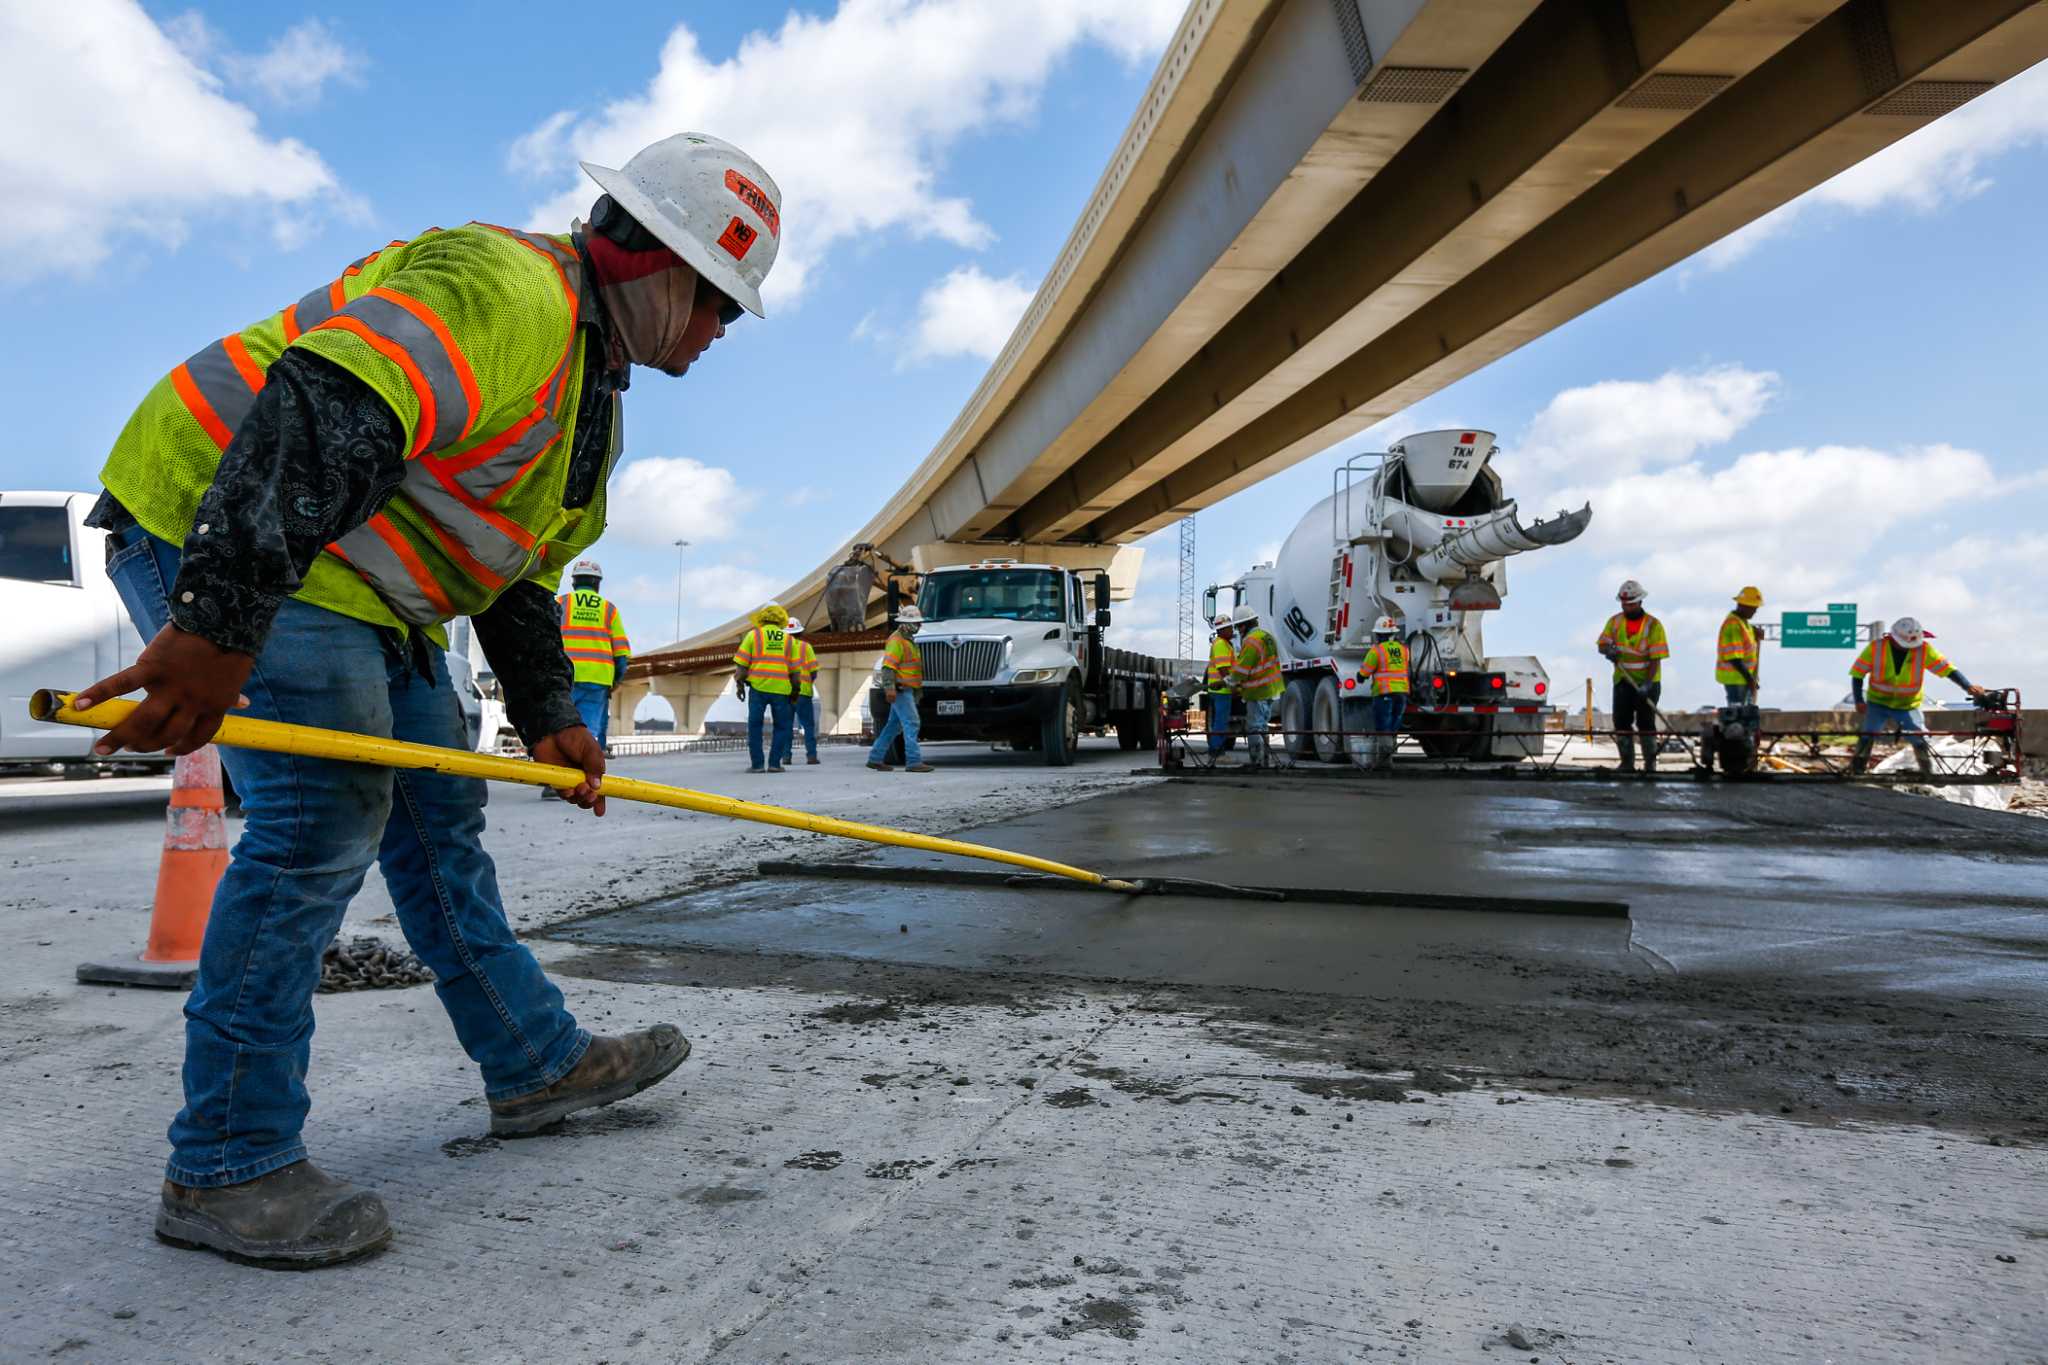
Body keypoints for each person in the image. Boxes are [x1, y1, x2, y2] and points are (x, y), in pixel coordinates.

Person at [67, 132, 782, 1268]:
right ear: (658, 266)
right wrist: (217, 627)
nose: (715, 334)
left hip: (353, 582)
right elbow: (319, 401)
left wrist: (549, 705)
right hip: (220, 515)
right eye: (717, 308)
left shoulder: (586, 399)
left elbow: (516, 570)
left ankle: (533, 1064)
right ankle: (226, 1163)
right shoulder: (503, 288)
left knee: (440, 826)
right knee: (320, 825)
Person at [1849, 617, 1986, 775]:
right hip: (1878, 703)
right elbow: (1857, 674)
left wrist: (1968, 686)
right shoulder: (1876, 648)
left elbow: (1948, 670)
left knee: (1919, 737)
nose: (1908, 648)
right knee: (1868, 734)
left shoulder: (1923, 649)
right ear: (1894, 638)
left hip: (1908, 705)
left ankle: (1928, 772)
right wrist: (1859, 701)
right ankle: (1857, 770)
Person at [541, 560, 630, 800]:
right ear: (597, 584)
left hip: (562, 676)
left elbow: (543, 638)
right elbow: (621, 652)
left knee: (557, 725)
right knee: (587, 732)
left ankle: (554, 781)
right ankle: (584, 782)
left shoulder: (561, 603)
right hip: (596, 678)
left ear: (574, 581)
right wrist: (616, 678)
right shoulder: (608, 609)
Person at [1597, 579, 1669, 774]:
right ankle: (1627, 763)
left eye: (1631, 604)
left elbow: (1656, 659)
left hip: (1648, 682)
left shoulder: (1654, 625)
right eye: (1624, 604)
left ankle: (1649, 765)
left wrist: (1647, 685)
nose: (1627, 607)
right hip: (1623, 680)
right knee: (1621, 722)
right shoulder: (1615, 622)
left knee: (1646, 723)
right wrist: (1607, 650)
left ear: (1640, 602)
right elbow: (1601, 644)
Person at [732, 602, 797, 774]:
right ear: (781, 618)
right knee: (782, 727)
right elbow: (796, 672)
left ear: (762, 617)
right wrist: (795, 693)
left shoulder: (753, 636)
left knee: (755, 726)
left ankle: (758, 765)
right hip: (781, 690)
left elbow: (741, 667)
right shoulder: (789, 640)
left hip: (758, 689)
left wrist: (739, 686)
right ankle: (775, 764)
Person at [867, 606, 933, 773]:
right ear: (906, 623)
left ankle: (875, 758)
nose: (918, 626)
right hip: (901, 689)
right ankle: (913, 761)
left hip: (905, 689)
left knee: (893, 726)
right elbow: (888, 667)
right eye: (915, 623)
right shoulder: (897, 641)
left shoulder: (907, 639)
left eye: (918, 623)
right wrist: (889, 689)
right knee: (912, 722)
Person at [1228, 605, 1285, 767]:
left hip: (1258, 690)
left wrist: (1227, 682)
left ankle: (1256, 761)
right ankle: (1264, 760)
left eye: (1239, 628)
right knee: (1262, 726)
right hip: (1271, 688)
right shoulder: (1267, 636)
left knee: (1254, 726)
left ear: (1243, 625)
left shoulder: (1251, 641)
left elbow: (1241, 669)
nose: (1239, 632)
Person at [1353, 615, 1409, 771]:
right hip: (1402, 692)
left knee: (1383, 726)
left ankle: (1385, 762)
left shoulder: (1377, 651)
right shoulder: (1404, 650)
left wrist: (1360, 677)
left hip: (1384, 692)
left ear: (1378, 634)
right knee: (1393, 726)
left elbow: (1364, 672)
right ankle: (1386, 758)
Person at [1716, 586, 1764, 704]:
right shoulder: (1733, 624)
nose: (1755, 611)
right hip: (1735, 678)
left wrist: (1754, 631)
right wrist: (1750, 679)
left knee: (1744, 714)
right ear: (1743, 606)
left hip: (1742, 678)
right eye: (1753, 608)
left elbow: (1747, 642)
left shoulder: (1743, 623)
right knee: (1737, 713)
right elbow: (1734, 658)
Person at [785, 614, 821, 765]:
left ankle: (786, 757)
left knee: (785, 725)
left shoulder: (781, 647)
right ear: (800, 632)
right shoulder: (806, 647)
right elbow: (813, 671)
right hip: (803, 693)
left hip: (785, 692)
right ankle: (811, 756)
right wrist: (807, 682)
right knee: (808, 726)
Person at [1204, 611, 1237, 756]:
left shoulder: (1224, 644)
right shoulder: (1221, 645)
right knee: (1220, 723)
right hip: (1221, 691)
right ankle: (1216, 751)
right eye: (1228, 627)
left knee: (1220, 722)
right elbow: (1223, 669)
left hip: (1220, 690)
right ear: (1221, 630)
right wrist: (1233, 686)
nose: (1232, 630)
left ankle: (1217, 750)